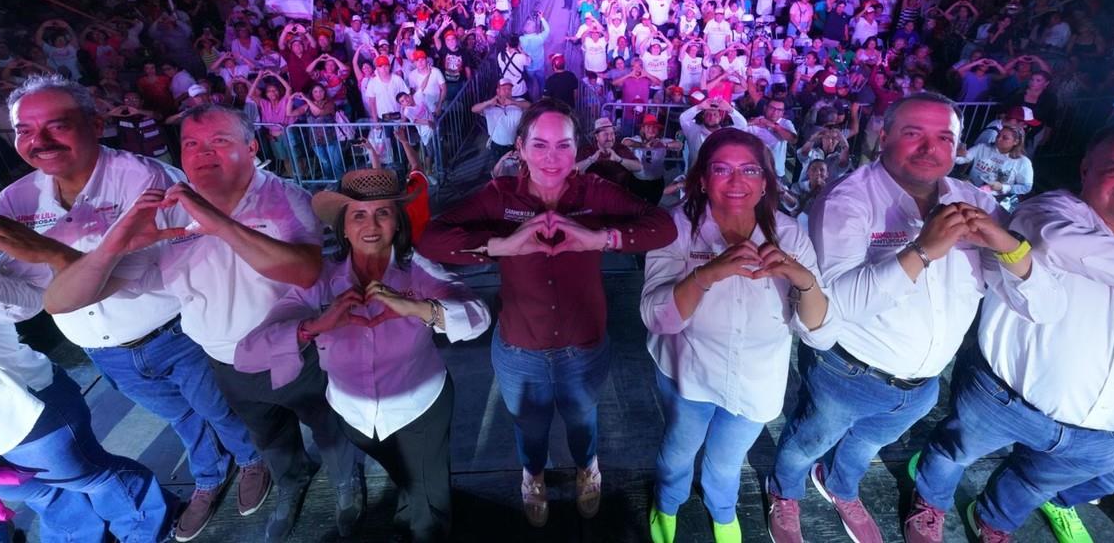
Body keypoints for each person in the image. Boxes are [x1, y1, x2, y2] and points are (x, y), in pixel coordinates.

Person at [0, 75, 268, 542]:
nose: (38, 141)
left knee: (217, 408)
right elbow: (29, 302)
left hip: (175, 332)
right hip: (105, 351)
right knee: (180, 417)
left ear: (95, 123)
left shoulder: (144, 180)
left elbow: (146, 273)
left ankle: (252, 461)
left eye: (56, 126)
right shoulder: (13, 202)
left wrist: (52, 254)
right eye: (24, 130)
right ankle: (208, 476)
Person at [40, 106, 365, 543]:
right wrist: (113, 248)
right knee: (268, 436)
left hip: (300, 350)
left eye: (219, 142)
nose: (202, 153)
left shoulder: (286, 198)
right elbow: (69, 298)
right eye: (191, 144)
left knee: (329, 425)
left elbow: (305, 271)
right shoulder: (171, 211)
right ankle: (291, 483)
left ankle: (346, 481)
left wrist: (217, 223)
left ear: (251, 148)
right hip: (224, 360)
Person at [765, 92, 1044, 543]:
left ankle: (838, 485)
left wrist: (1008, 246)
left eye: (944, 138)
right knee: (806, 442)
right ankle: (784, 490)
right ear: (884, 135)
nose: (929, 148)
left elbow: (1035, 304)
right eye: (913, 134)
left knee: (867, 445)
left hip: (926, 382)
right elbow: (836, 306)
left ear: (958, 146)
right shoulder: (847, 200)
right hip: (849, 372)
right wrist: (923, 251)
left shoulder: (975, 201)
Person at [908, 120, 1114, 543]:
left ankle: (991, 520)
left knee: (1034, 485)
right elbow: (1061, 246)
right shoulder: (1050, 214)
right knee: (952, 453)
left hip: (1106, 423)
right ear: (1086, 170)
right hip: (1004, 399)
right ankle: (929, 502)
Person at [417, 98, 676, 528]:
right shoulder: (500, 197)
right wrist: (502, 245)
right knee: (529, 428)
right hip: (521, 346)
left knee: (582, 421)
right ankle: (532, 476)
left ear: (578, 148)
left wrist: (602, 239)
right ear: (519, 147)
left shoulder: (595, 191)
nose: (551, 158)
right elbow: (431, 239)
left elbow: (662, 227)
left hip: (584, 344)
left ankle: (587, 468)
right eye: (539, 145)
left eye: (563, 146)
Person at [234, 169, 491, 543]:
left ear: (397, 222)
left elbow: (479, 316)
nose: (371, 225)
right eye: (358, 214)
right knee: (408, 480)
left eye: (382, 213)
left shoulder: (416, 271)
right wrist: (315, 326)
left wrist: (418, 309)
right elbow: (246, 355)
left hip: (417, 411)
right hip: (355, 418)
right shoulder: (320, 280)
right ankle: (411, 503)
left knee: (429, 508)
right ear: (343, 227)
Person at [0, 225, 174, 543]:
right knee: (38, 493)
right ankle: (81, 536)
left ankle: (145, 527)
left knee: (89, 475)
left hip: (12, 402)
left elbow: (23, 304)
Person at [640, 128, 834, 543]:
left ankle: (722, 508)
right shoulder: (675, 228)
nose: (736, 181)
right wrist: (709, 272)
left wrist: (802, 278)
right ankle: (668, 499)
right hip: (686, 372)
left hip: (756, 379)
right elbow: (657, 319)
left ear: (765, 181)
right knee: (678, 451)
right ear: (703, 179)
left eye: (749, 170)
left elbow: (818, 330)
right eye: (721, 169)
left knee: (728, 461)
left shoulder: (790, 234)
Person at [954, 124, 1034, 211]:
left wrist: (1003, 187)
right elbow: (962, 159)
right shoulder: (982, 147)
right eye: (998, 135)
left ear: (1016, 142)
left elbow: (1026, 187)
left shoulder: (1023, 162)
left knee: (1002, 220)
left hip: (1002, 199)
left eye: (1005, 138)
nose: (998, 139)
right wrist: (956, 153)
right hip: (974, 192)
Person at [471, 79, 530, 174]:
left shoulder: (518, 102)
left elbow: (530, 106)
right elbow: (474, 109)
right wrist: (489, 102)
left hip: (514, 146)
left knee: (517, 171)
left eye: (509, 89)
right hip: (498, 147)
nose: (507, 91)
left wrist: (514, 103)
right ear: (497, 90)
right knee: (500, 172)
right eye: (504, 89)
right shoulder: (490, 106)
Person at [577, 116, 643, 190]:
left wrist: (619, 159)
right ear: (597, 136)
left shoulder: (621, 148)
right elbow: (573, 170)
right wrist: (591, 160)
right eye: (605, 134)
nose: (610, 138)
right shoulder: (586, 150)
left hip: (618, 195)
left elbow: (639, 167)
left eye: (612, 134)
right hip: (593, 195)